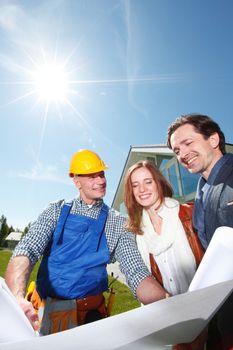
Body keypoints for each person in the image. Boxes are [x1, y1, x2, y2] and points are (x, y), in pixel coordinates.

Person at [4, 149, 166, 336]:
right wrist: (16, 297)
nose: (101, 181)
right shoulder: (55, 211)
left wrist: (166, 301)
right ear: (76, 180)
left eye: (102, 174)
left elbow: (136, 271)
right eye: (91, 176)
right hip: (45, 314)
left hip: (89, 318)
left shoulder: (117, 223)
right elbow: (27, 249)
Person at [123, 160, 206, 350]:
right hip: (169, 320)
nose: (142, 189)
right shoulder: (137, 234)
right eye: (135, 185)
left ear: (159, 182)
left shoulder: (188, 214)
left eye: (148, 181)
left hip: (204, 310)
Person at [167, 114, 233, 350]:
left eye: (188, 143)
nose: (182, 154)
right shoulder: (201, 194)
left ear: (213, 139)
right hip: (222, 314)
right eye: (176, 150)